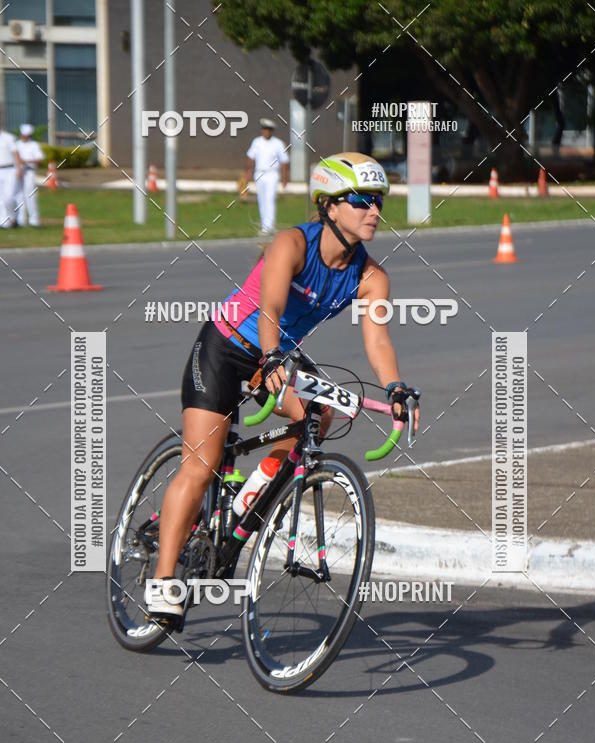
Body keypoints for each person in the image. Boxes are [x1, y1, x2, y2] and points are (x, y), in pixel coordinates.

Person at [146, 152, 420, 617]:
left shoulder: (372, 277)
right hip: (227, 346)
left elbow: (377, 337)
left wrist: (394, 387)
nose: (375, 211)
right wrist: (271, 356)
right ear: (330, 206)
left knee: (320, 415)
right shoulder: (292, 244)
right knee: (202, 461)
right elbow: (270, 307)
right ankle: (163, 581)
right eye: (362, 200)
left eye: (378, 201)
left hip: (276, 355)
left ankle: (243, 507)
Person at [241, 118, 289, 235]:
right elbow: (251, 158)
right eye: (264, 129)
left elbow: (284, 162)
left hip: (272, 174)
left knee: (270, 199)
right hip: (260, 173)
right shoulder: (257, 142)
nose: (266, 132)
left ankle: (269, 226)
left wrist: (285, 178)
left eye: (268, 130)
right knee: (262, 200)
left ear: (271, 131)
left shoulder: (277, 143)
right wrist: (247, 175)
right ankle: (264, 226)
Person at [16, 124, 43, 227]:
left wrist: (25, 161)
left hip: (29, 172)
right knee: (18, 196)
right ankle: (20, 220)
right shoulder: (16, 144)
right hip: (18, 172)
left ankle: (34, 221)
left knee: (30, 196)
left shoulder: (34, 145)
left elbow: (39, 160)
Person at [0, 124, 22, 228]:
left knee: (9, 196)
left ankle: (13, 218)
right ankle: (4, 222)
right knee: (1, 198)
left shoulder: (9, 137)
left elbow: (16, 153)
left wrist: (19, 169)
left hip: (9, 170)